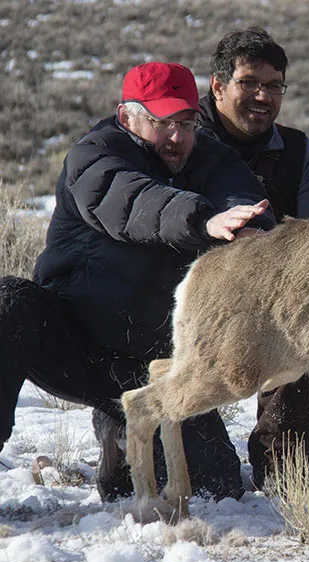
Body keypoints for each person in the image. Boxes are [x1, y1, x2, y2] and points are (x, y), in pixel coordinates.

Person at [0, 62, 275, 502]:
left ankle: (122, 437)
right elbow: (132, 202)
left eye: (186, 123)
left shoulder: (212, 158)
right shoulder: (95, 155)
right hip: (74, 344)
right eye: (162, 123)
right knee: (8, 302)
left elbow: (242, 200)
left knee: (216, 491)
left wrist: (246, 227)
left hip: (155, 365)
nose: (176, 137)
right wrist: (205, 221)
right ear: (127, 117)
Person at [197, 27, 309, 490]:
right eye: (249, 83)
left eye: (274, 85)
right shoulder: (177, 139)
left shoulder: (301, 156)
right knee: (208, 481)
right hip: (175, 306)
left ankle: (281, 463)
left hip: (269, 308)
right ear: (218, 86)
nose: (263, 95)